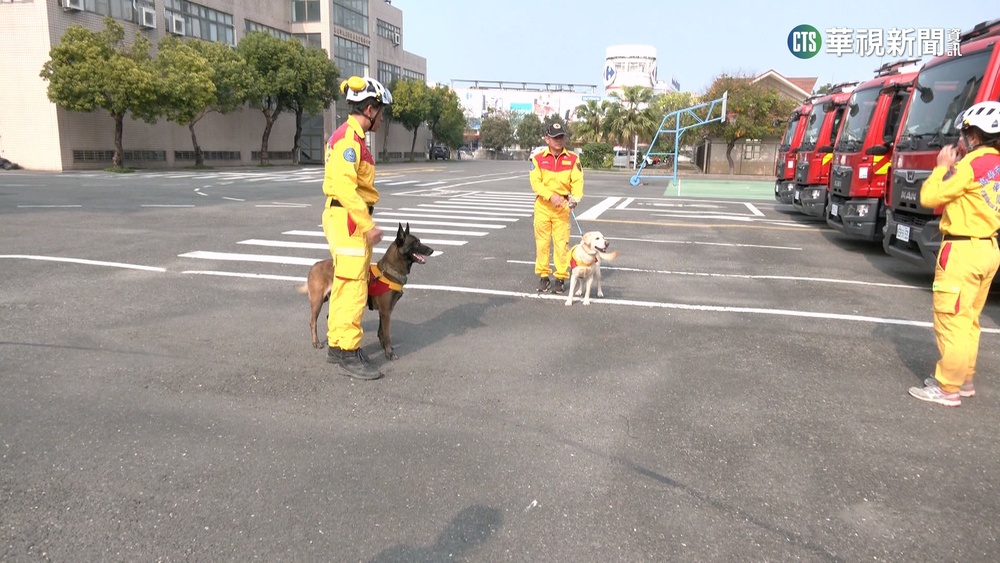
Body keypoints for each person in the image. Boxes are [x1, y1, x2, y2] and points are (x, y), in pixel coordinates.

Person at [909, 101, 1000, 406]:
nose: (961, 141)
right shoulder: (995, 164)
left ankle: (947, 388)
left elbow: (929, 197)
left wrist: (941, 168)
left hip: (962, 250)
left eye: (965, 135)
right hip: (988, 247)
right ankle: (965, 380)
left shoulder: (970, 166)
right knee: (970, 319)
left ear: (975, 136)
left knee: (951, 320)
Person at [322, 76, 393, 380]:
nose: (382, 118)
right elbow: (345, 188)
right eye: (382, 111)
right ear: (369, 108)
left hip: (345, 218)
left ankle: (337, 344)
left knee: (344, 282)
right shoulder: (349, 140)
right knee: (353, 287)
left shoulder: (351, 137)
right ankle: (349, 352)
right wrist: (368, 224)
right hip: (350, 219)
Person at [529, 122, 584, 294]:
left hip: (563, 207)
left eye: (561, 137)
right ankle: (544, 277)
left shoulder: (573, 159)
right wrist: (550, 196)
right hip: (543, 206)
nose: (559, 140)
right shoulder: (538, 158)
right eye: (555, 137)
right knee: (542, 243)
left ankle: (560, 278)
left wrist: (574, 200)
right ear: (547, 139)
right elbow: (535, 183)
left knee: (561, 244)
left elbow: (577, 182)